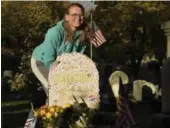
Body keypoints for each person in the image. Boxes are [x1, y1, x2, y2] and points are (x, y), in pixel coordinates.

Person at [31, 3, 96, 96]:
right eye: (74, 15)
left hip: (60, 65)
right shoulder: (55, 32)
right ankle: (43, 110)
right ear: (66, 17)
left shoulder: (83, 34)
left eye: (80, 15)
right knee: (54, 92)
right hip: (41, 62)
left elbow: (76, 58)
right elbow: (48, 59)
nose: (78, 17)